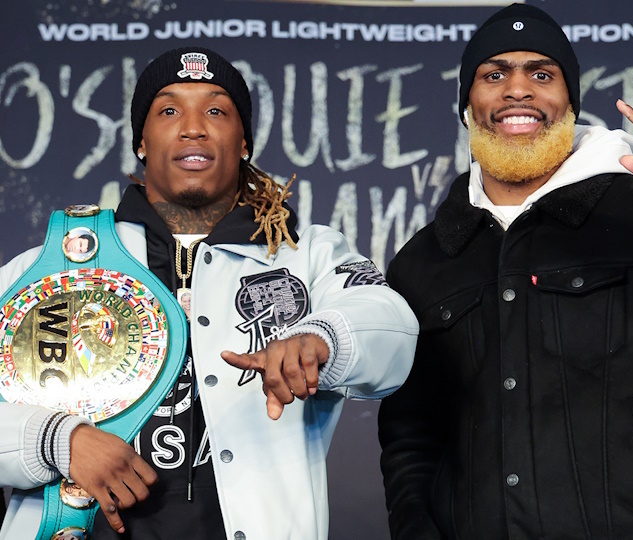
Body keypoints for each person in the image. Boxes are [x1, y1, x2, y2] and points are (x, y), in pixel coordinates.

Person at [0, 46, 418, 539]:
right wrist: (56, 440)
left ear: (244, 143)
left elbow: (391, 326)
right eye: (169, 110)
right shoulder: (59, 265)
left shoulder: (305, 256)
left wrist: (323, 338)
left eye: (216, 111)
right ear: (141, 142)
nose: (193, 127)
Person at [377, 4, 633, 539]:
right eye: (494, 75)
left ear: (570, 103)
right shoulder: (423, 259)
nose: (518, 90)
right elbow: (410, 436)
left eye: (541, 74)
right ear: (466, 106)